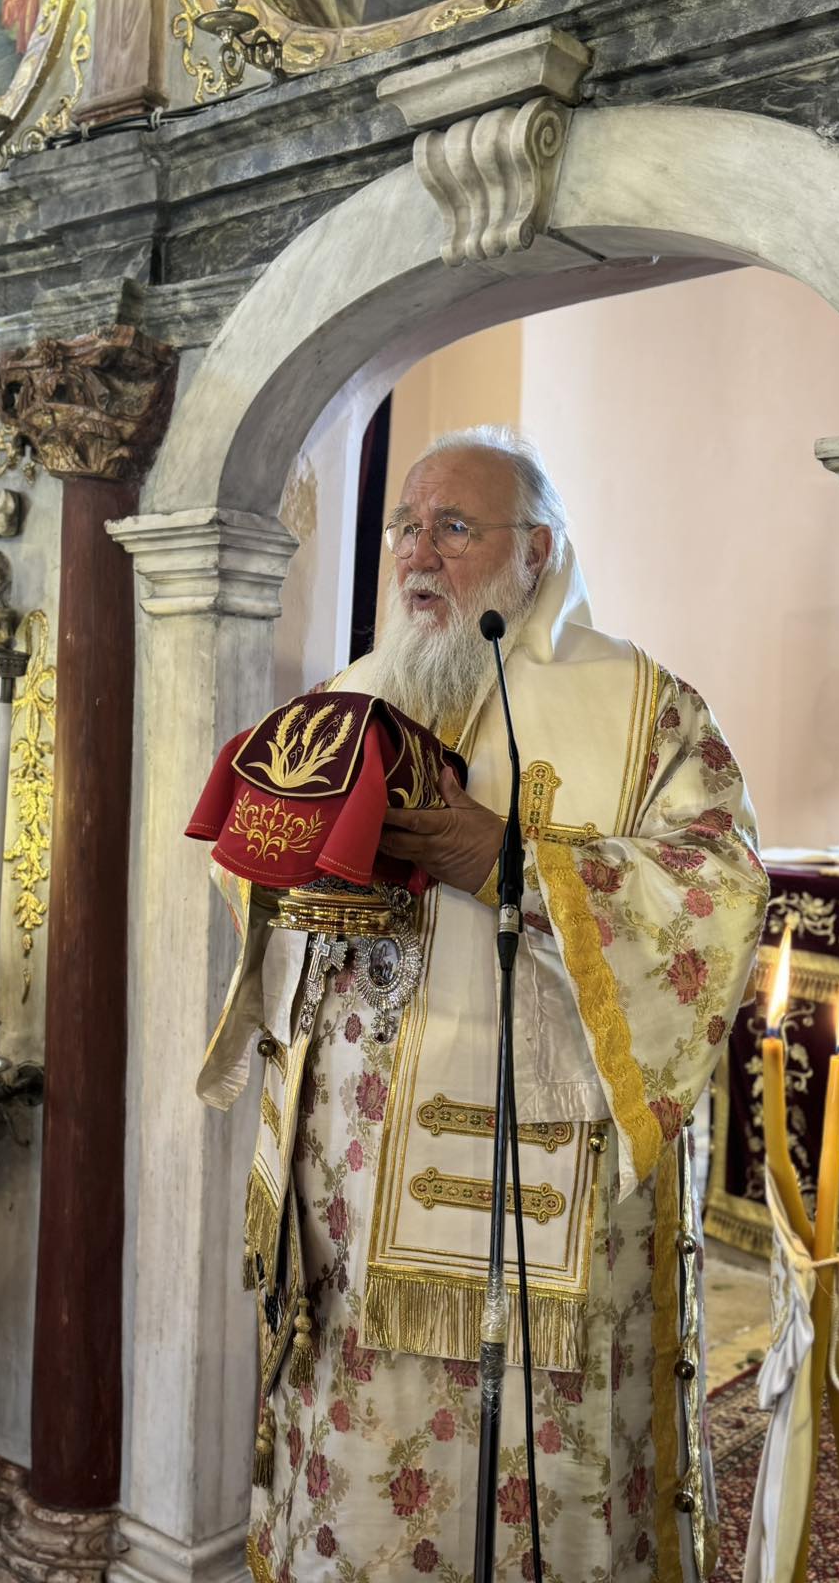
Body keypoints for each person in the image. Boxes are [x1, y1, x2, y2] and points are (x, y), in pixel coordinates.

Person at [196, 425, 769, 1582]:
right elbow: (248, 866)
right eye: (406, 526)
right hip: (350, 1211)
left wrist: (508, 864)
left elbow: (718, 891)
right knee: (357, 1484)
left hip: (543, 1218)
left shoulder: (644, 707)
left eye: (453, 527)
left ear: (535, 551)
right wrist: (291, 865)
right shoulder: (346, 700)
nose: (417, 551)